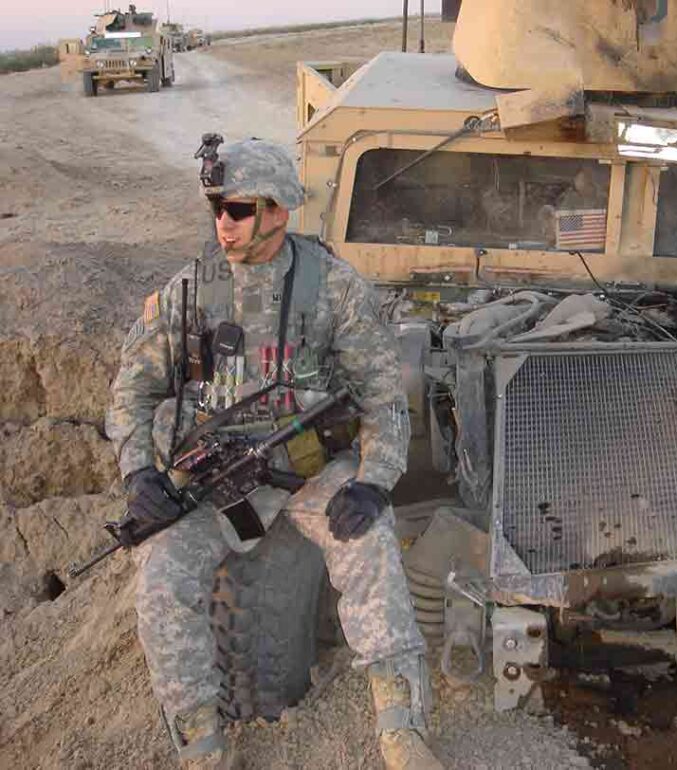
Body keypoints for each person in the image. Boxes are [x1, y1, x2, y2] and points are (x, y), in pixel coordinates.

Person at [106, 137, 442, 770]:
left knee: (371, 547)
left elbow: (382, 395)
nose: (223, 224)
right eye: (216, 209)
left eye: (237, 209)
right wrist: (139, 475)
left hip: (310, 466)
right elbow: (133, 389)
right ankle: (202, 745)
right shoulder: (188, 291)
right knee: (158, 575)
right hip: (215, 477)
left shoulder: (334, 287)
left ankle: (402, 729)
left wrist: (375, 481)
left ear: (278, 210)